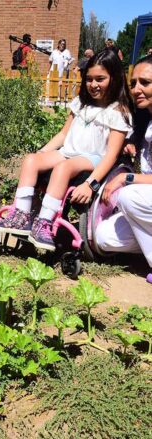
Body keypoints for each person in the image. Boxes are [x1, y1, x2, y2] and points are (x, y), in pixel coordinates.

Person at [0, 50, 133, 251]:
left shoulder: (117, 111)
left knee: (64, 167)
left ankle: (45, 222)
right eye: (89, 79)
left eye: (100, 79)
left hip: (93, 158)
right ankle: (21, 215)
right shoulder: (81, 103)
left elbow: (111, 155)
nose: (93, 84)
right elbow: (63, 135)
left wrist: (90, 185)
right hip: (68, 151)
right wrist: (42, 153)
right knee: (31, 160)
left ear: (114, 78)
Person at [96, 54, 152, 283]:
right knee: (104, 237)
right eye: (133, 83)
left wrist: (126, 179)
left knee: (129, 196)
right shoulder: (145, 119)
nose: (137, 89)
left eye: (145, 83)